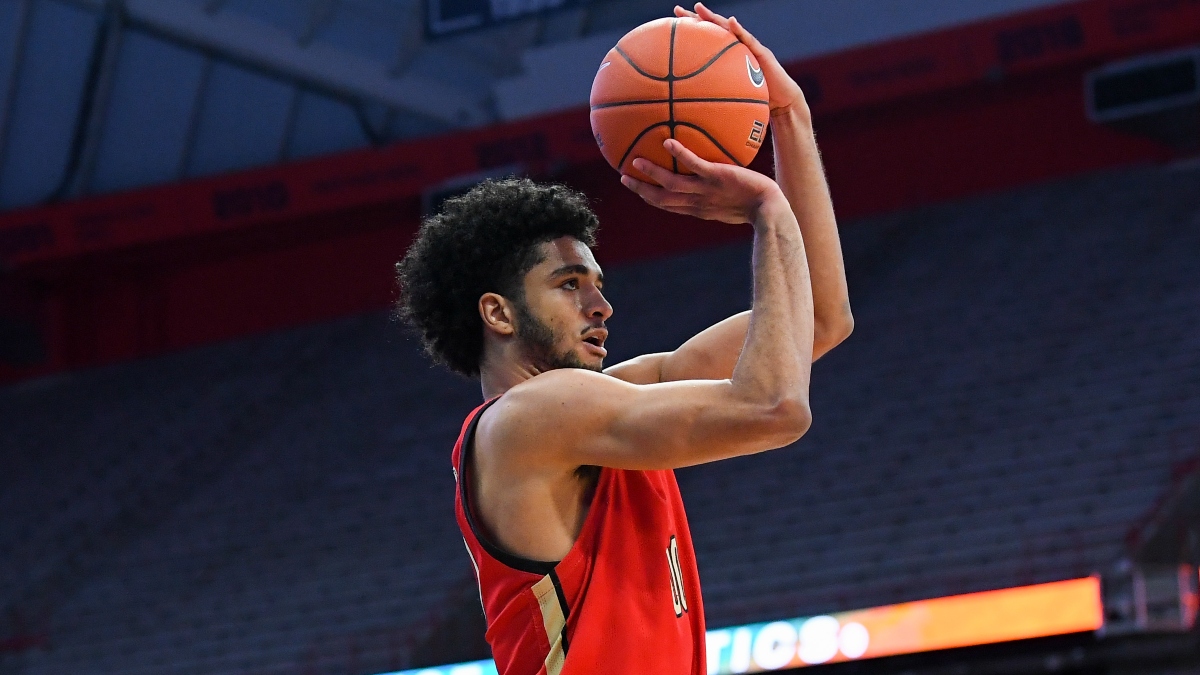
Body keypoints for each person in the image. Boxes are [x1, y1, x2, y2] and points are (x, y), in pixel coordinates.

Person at [395, 5, 852, 674]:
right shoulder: (526, 419)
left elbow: (824, 318)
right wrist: (766, 210)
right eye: (570, 284)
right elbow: (775, 407)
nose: (601, 304)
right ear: (498, 313)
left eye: (597, 282)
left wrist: (791, 120)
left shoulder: (592, 408)